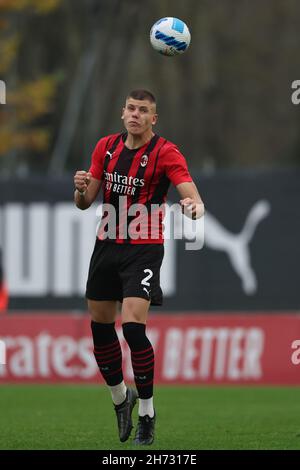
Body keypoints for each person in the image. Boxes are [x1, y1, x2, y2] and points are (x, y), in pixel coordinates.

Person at [74, 89, 204, 445]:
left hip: (143, 250)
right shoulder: (106, 147)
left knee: (132, 328)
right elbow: (85, 202)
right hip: (106, 246)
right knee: (101, 328)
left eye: (143, 110)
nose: (135, 115)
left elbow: (190, 193)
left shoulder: (165, 152)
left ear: (153, 118)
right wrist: (80, 189)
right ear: (122, 113)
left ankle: (146, 412)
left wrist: (193, 206)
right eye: (131, 108)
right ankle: (121, 399)